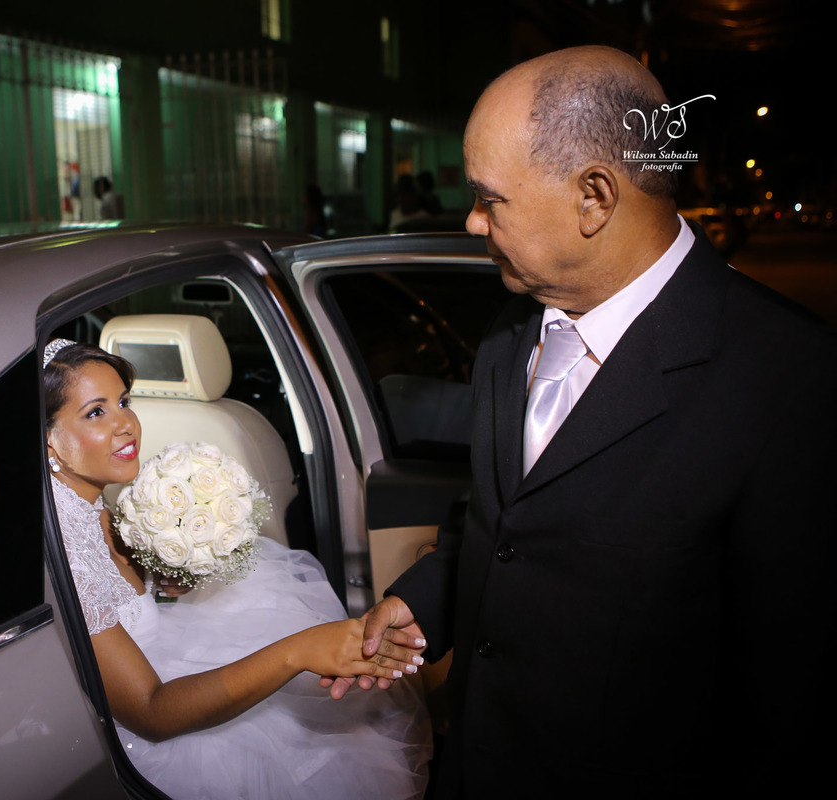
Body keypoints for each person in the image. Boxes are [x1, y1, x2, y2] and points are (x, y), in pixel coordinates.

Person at [340, 45, 837, 796]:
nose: (472, 222)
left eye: (490, 198)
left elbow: (789, 700)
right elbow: (504, 520)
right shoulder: (510, 335)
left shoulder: (793, 380)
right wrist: (428, 597)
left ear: (594, 197)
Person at [43, 339, 433, 799]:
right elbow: (152, 713)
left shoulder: (79, 501)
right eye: (96, 412)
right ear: (47, 436)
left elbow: (125, 591)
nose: (126, 424)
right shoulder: (59, 543)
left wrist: (162, 575)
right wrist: (297, 652)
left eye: (124, 402)